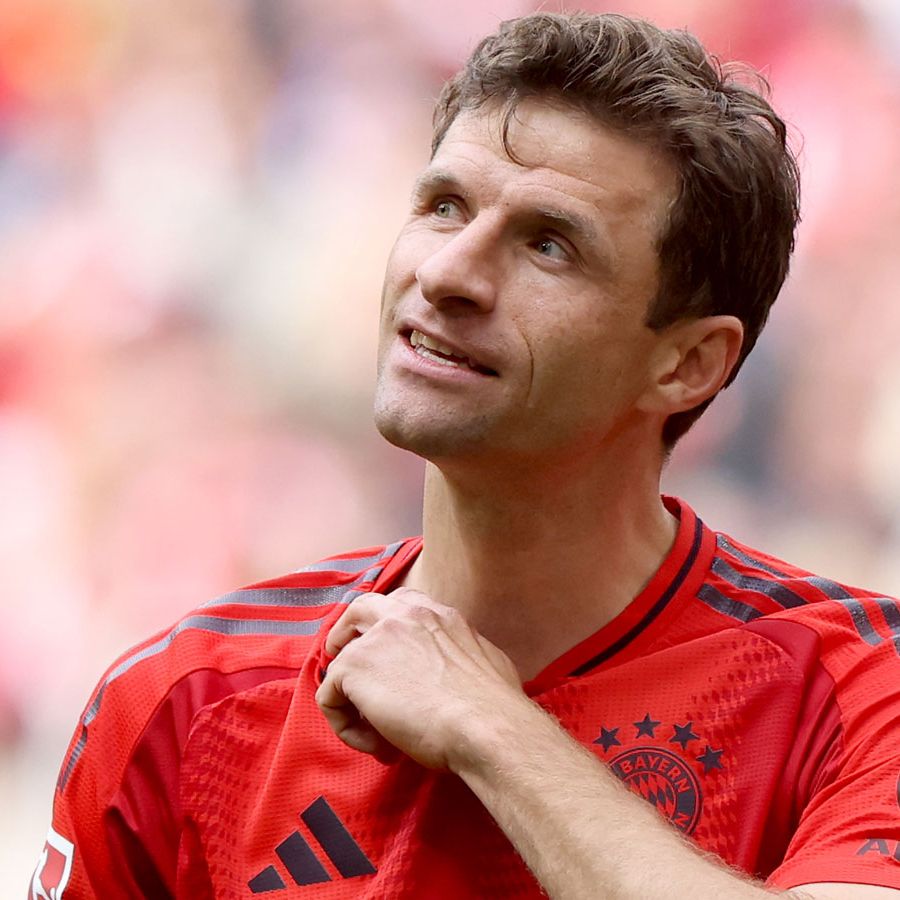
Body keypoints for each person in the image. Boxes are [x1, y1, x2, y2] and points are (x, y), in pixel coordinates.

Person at [30, 11, 900, 899]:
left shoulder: (859, 685)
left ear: (687, 364)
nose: (448, 273)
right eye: (444, 206)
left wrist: (491, 727)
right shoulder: (187, 703)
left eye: (549, 246)